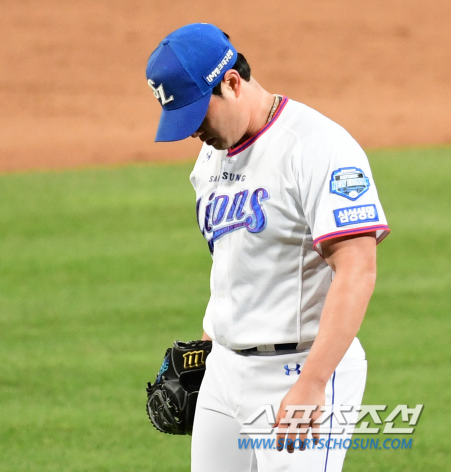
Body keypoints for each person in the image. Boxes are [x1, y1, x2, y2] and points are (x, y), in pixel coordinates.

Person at [145, 23, 390, 471]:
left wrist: (313, 383)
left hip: (298, 369)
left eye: (198, 115)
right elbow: (234, 262)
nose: (193, 132)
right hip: (224, 372)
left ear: (232, 83)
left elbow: (357, 269)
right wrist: (209, 344)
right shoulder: (212, 155)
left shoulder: (318, 147)